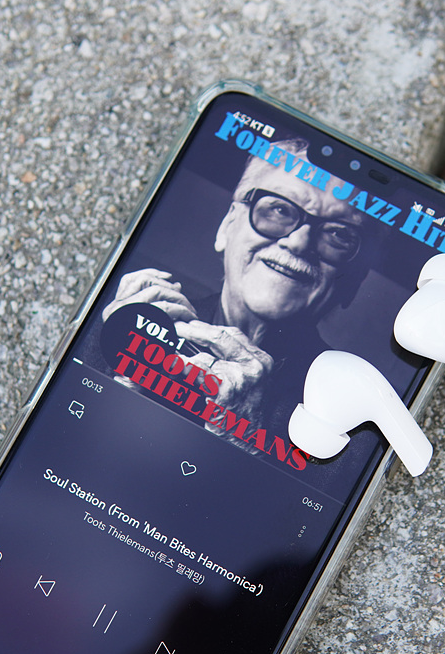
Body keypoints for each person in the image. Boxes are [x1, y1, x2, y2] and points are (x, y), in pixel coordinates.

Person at [101, 138, 369, 442]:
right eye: (279, 210)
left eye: (338, 234)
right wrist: (117, 370)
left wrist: (244, 438)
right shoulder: (118, 326)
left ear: (354, 281)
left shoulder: (353, 420)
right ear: (227, 226)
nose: (298, 242)